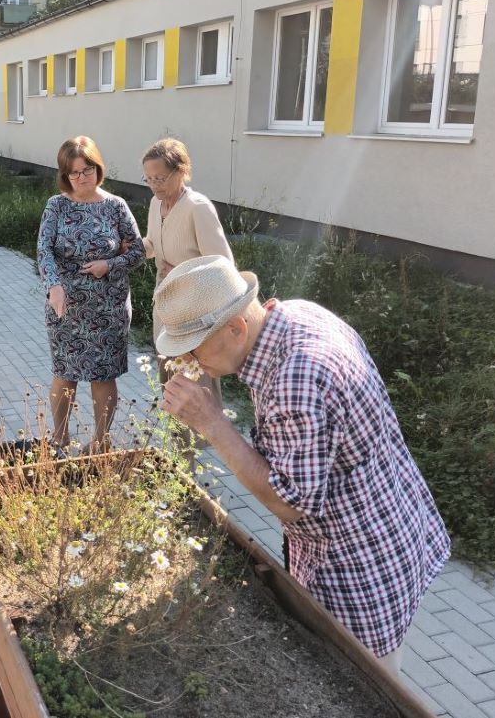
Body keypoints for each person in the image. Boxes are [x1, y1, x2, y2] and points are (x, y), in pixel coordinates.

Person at [154, 255, 450, 675]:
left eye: (192, 345)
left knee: (364, 683)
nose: (187, 359)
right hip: (393, 520)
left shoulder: (297, 377)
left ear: (237, 327)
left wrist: (213, 423)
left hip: (359, 567)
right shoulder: (296, 314)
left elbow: (291, 503)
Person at [37, 136, 145, 450]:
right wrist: (54, 287)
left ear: (98, 169)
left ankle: (100, 441)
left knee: (103, 375)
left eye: (88, 170)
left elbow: (138, 251)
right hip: (65, 306)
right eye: (74, 172)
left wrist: (109, 265)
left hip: (108, 307)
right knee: (64, 372)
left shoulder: (116, 206)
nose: (82, 177)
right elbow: (44, 250)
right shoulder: (56, 205)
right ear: (64, 175)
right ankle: (59, 435)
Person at [141, 138, 233, 395]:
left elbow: (223, 267)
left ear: (181, 171)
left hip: (194, 316)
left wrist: (184, 274)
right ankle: (174, 437)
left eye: (160, 178)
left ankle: (206, 437)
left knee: (197, 390)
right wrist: (129, 248)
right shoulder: (156, 203)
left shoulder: (198, 208)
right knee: (170, 387)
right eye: (148, 179)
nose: (154, 186)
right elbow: (153, 242)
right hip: (166, 309)